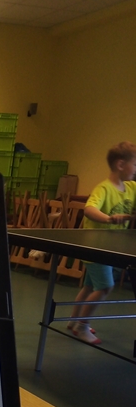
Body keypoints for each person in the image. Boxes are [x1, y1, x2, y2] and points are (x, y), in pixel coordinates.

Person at [67, 141, 136, 344]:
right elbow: (89, 209)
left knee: (89, 286)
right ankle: (82, 327)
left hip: (109, 248)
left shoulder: (131, 187)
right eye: (135, 164)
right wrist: (109, 219)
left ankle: (73, 321)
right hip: (94, 248)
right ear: (121, 164)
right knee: (105, 287)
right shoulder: (104, 188)